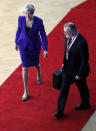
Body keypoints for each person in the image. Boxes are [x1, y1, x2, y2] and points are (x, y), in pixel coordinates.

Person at [53, 22, 90, 119]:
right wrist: (63, 63)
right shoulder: (68, 37)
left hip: (77, 72)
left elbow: (84, 60)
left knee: (82, 88)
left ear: (74, 30)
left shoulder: (81, 42)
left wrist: (80, 74)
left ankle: (85, 103)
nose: (65, 34)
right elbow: (66, 51)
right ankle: (59, 111)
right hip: (67, 70)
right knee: (63, 90)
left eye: (67, 32)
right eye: (64, 32)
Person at [15, 3, 48, 101]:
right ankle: (26, 90)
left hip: (34, 46)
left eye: (28, 14)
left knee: (36, 63)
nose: (26, 16)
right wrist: (16, 42)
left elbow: (43, 36)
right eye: (25, 13)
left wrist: (45, 49)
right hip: (23, 46)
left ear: (32, 13)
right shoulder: (21, 19)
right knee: (24, 67)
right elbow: (18, 30)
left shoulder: (39, 21)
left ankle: (38, 73)